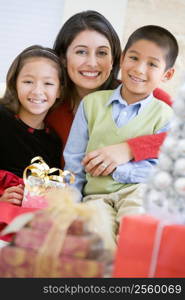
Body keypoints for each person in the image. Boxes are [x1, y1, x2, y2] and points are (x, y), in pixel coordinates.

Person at [64, 25, 178, 250]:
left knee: (135, 237)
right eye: (133, 58)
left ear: (167, 75)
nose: (139, 69)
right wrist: (71, 204)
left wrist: (120, 170)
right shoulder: (91, 104)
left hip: (139, 191)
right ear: (123, 59)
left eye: (152, 64)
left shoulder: (165, 114)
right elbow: (74, 162)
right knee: (97, 243)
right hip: (95, 197)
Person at [47, 10, 172, 174]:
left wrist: (129, 149)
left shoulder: (148, 97)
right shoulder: (49, 106)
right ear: (63, 58)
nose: (92, 63)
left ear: (114, 59)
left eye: (102, 53)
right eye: (81, 52)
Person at [0, 45, 63, 205]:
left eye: (48, 83)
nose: (37, 91)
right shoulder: (2, 117)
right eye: (28, 81)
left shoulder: (53, 141)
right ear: (14, 83)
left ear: (59, 91)